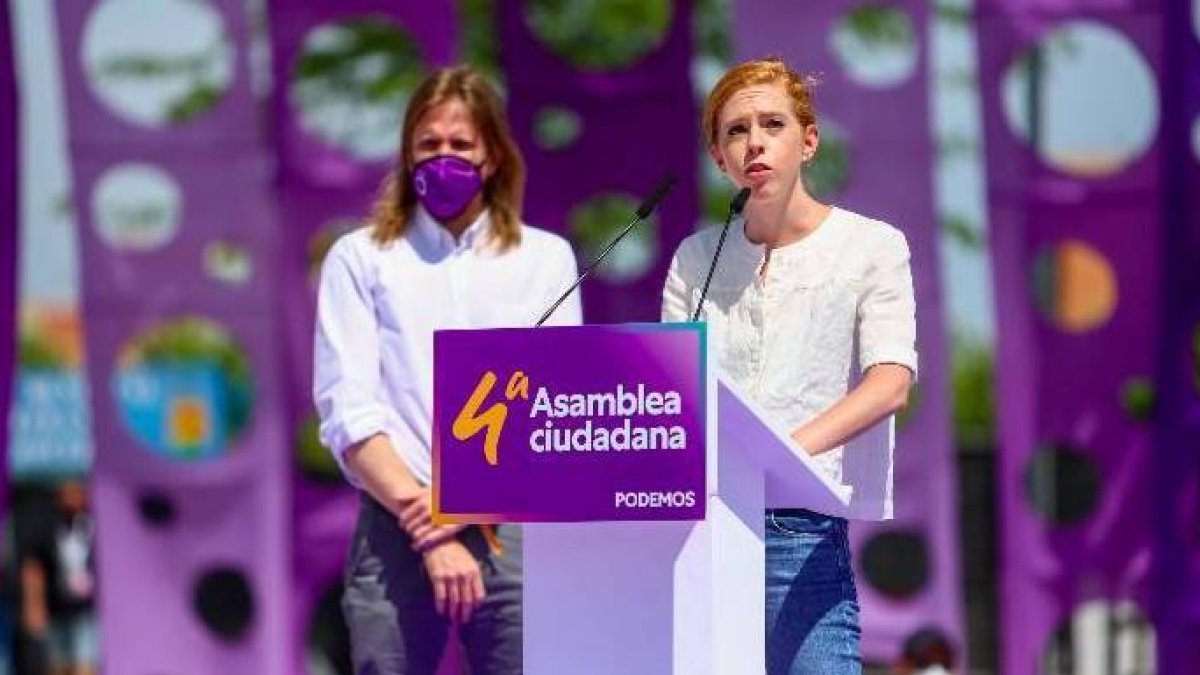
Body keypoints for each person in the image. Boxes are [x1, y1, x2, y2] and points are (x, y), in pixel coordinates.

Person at [313, 64, 582, 675]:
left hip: (512, 528)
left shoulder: (545, 259)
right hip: (394, 522)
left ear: (491, 154)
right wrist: (431, 527)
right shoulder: (361, 259)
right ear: (407, 155)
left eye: (461, 144)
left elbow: (557, 411)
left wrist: (469, 507)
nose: (444, 157)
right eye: (428, 144)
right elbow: (348, 411)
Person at [662, 57, 918, 674]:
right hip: (700, 527)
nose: (754, 142)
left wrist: (779, 454)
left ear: (808, 141)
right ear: (719, 158)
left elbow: (890, 383)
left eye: (771, 124)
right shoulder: (695, 258)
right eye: (734, 131)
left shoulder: (871, 246)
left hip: (799, 533)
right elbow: (669, 392)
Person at [18, 480, 98, 675]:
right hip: (56, 609)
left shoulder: (100, 508)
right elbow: (33, 564)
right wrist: (34, 602)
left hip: (91, 612)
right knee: (57, 667)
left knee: (85, 665)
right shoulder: (45, 514)